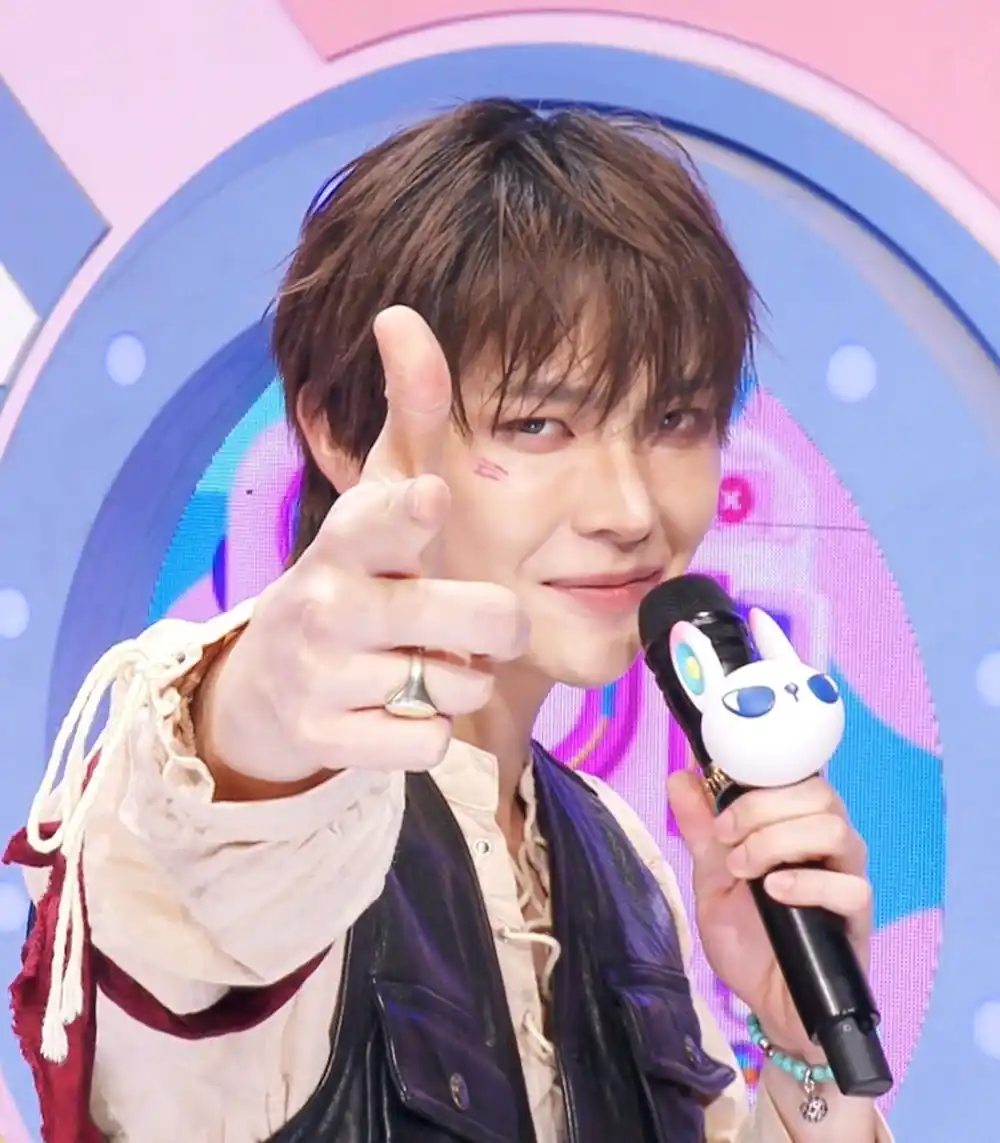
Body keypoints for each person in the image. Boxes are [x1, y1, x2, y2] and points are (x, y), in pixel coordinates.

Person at [5, 99, 892, 1143]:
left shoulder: (614, 855)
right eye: (538, 423)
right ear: (339, 433)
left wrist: (799, 1046)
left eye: (673, 419)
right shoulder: (248, 803)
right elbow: (217, 839)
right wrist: (253, 724)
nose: (628, 510)